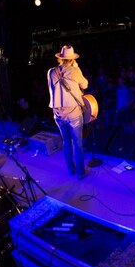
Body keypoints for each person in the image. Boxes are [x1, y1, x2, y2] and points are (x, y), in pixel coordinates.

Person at [47, 45, 89, 179]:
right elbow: (85, 85)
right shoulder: (74, 71)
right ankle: (80, 173)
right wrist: (76, 68)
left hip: (58, 114)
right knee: (77, 143)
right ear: (71, 60)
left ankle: (71, 170)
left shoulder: (51, 72)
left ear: (60, 58)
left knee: (66, 141)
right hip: (73, 113)